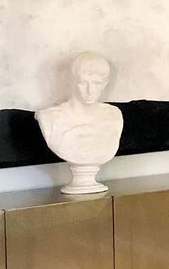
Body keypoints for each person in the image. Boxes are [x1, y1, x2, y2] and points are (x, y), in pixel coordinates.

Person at [36, 52, 123, 194]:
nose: (90, 91)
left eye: (96, 83)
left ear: (104, 84)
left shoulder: (113, 115)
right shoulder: (51, 118)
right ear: (71, 82)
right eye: (83, 83)